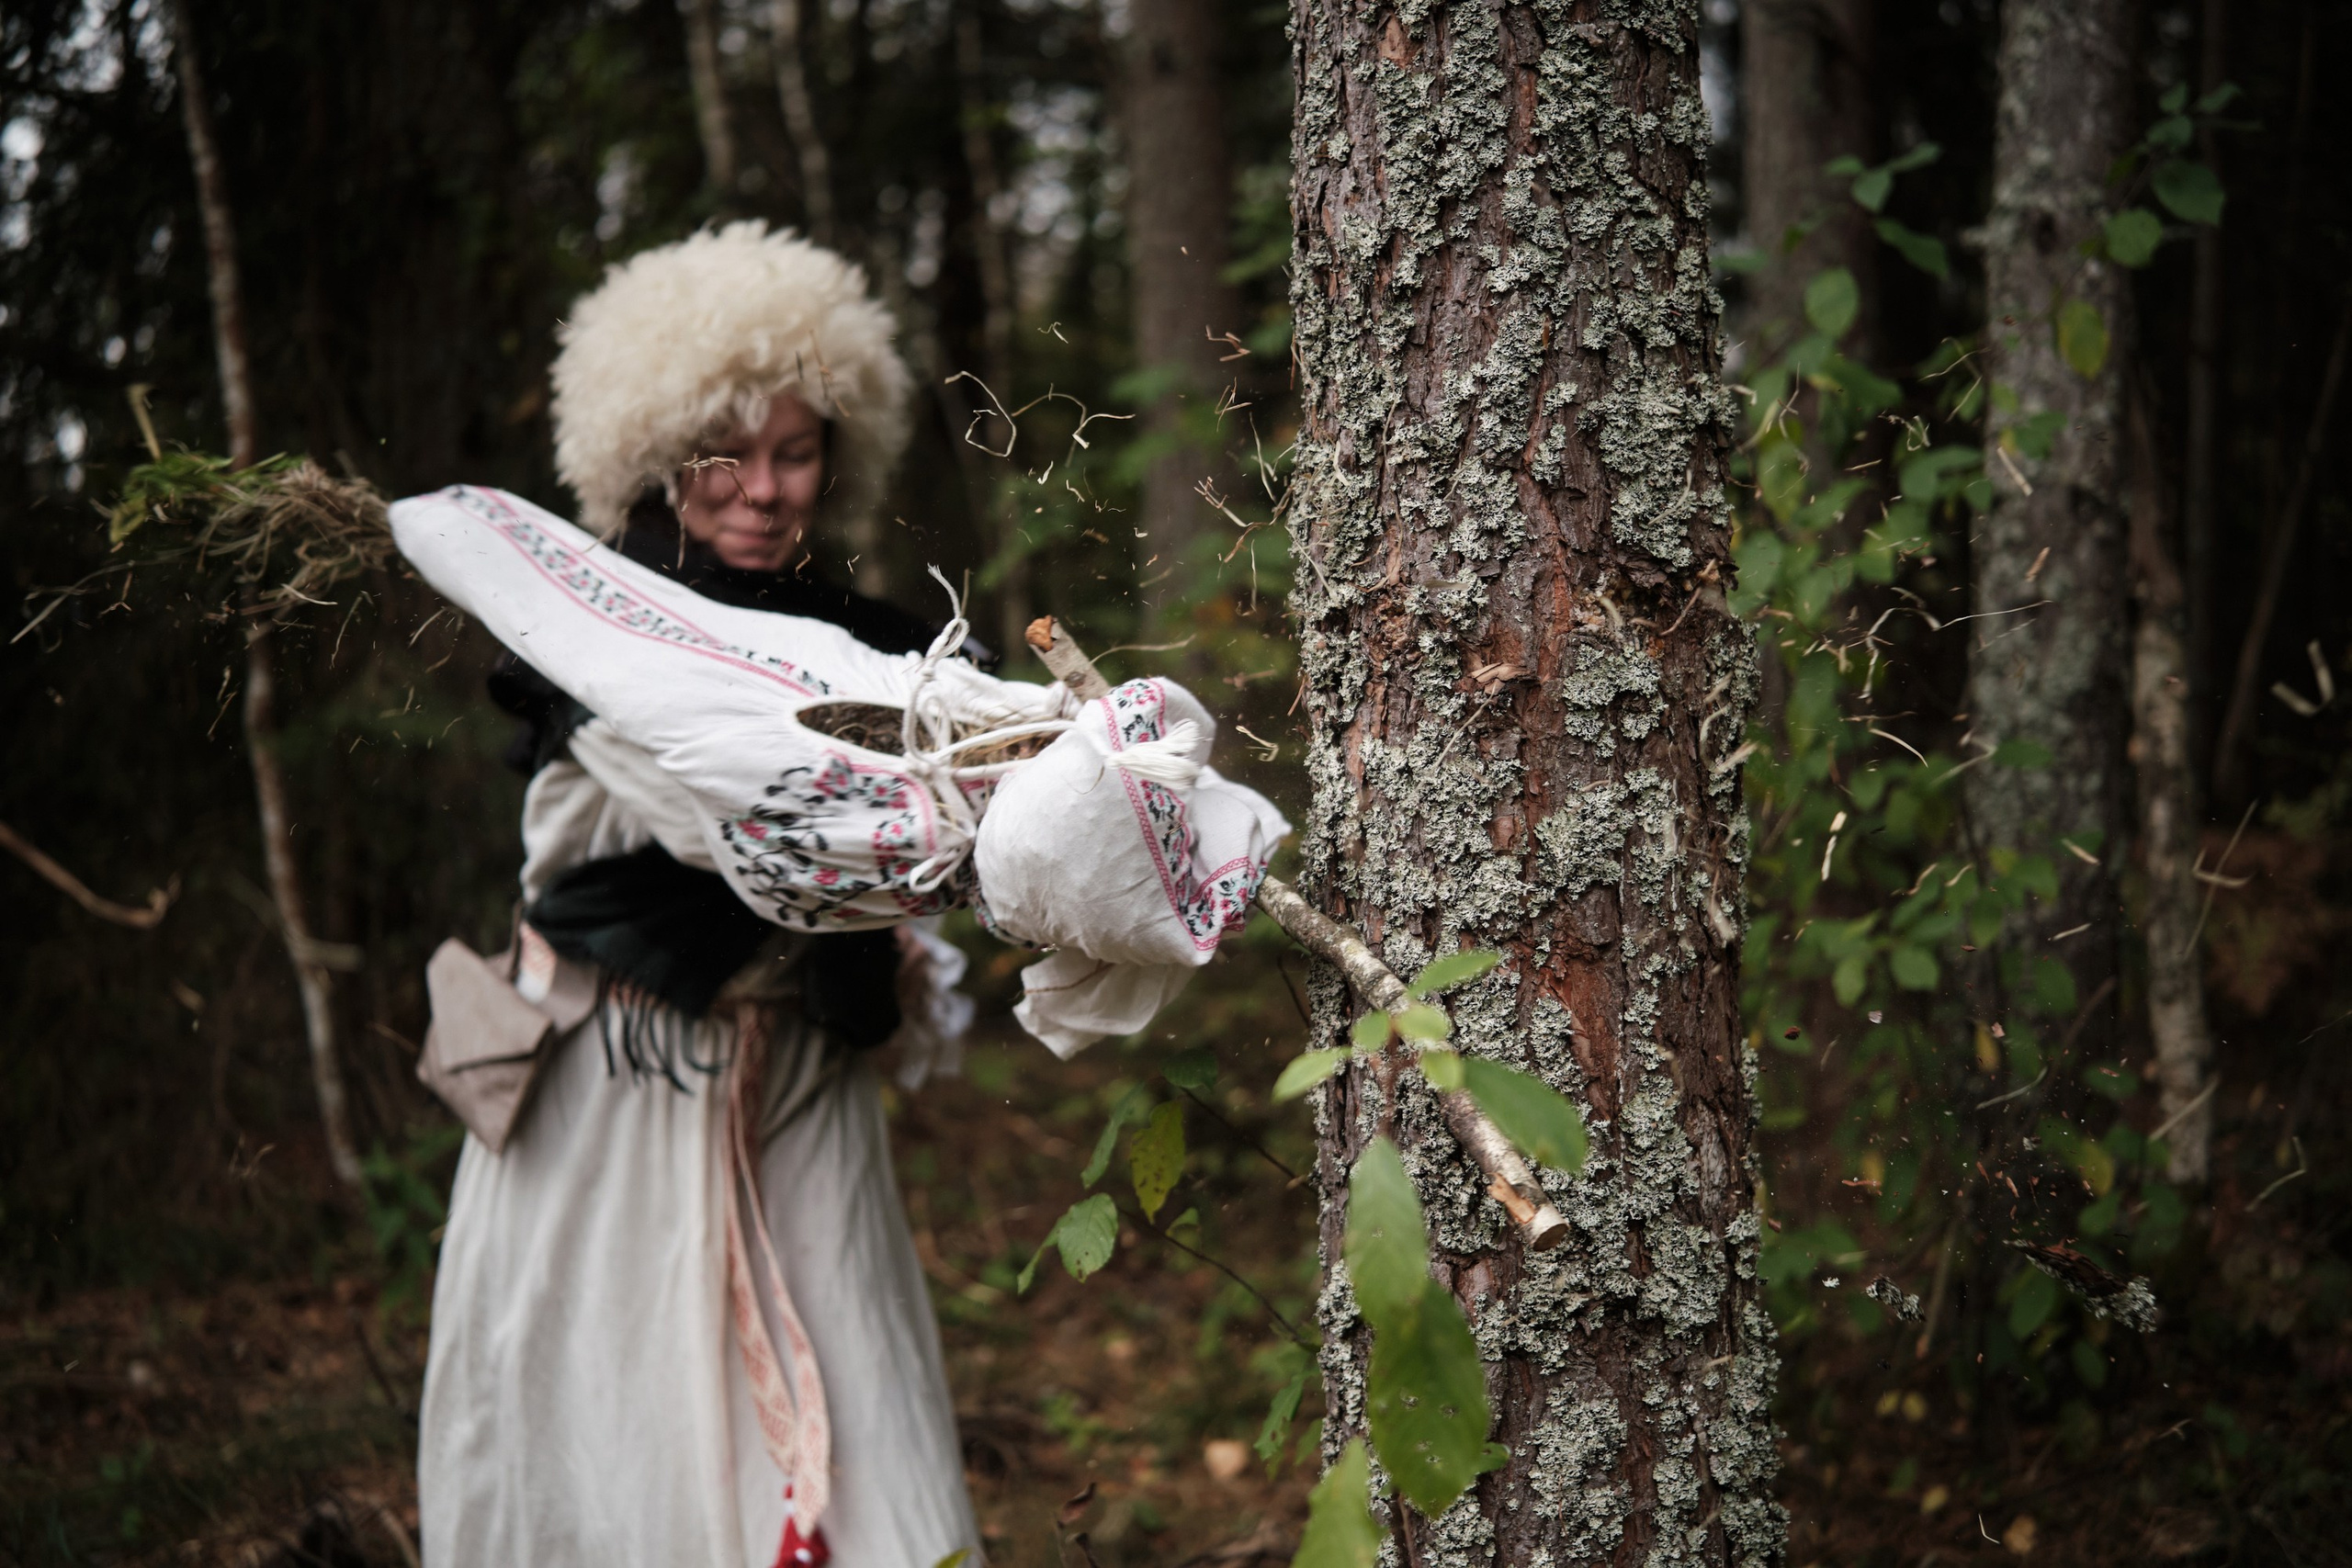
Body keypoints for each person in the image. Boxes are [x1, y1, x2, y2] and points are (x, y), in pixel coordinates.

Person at [417, 223, 980, 1568]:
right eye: (726, 454)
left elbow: (907, 867)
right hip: (611, 1093)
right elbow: (730, 817)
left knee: (864, 1430)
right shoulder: (590, 631)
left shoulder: (882, 648)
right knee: (617, 1434)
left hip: (802, 1091)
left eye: (797, 452)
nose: (763, 491)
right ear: (660, 452)